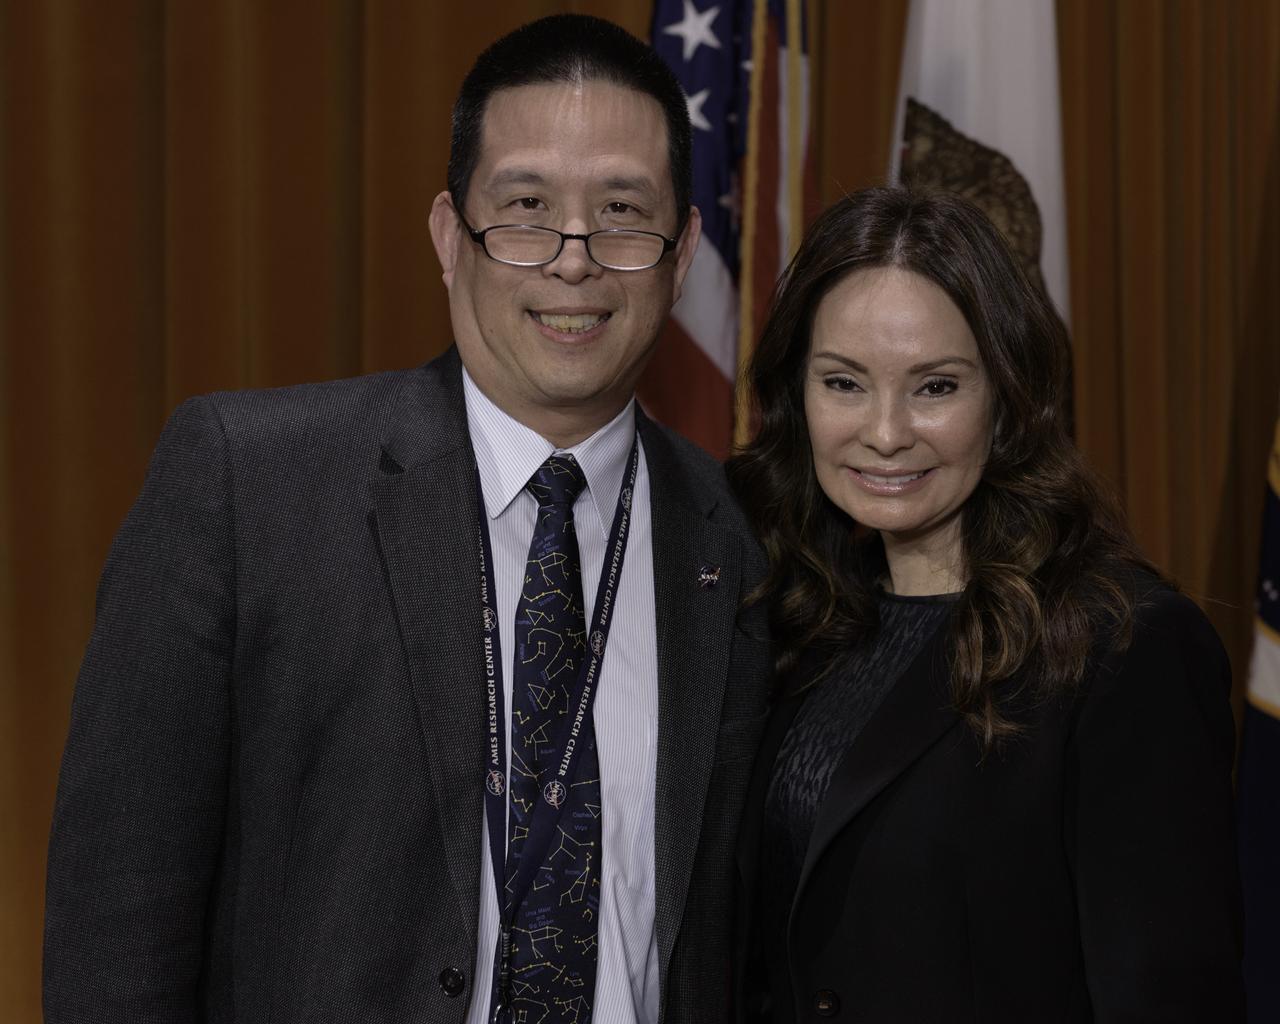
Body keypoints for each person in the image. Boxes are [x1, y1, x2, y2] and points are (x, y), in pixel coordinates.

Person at [43, 15, 771, 1024]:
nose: (573, 260)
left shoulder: (739, 536)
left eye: (621, 213)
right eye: (524, 207)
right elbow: (118, 921)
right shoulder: (247, 487)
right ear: (446, 235)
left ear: (682, 251)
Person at [727, 187, 1244, 1022]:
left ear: (1007, 397)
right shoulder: (793, 618)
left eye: (935, 387)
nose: (886, 432)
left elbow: (1168, 996)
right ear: (798, 396)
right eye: (844, 382)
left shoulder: (1122, 646)